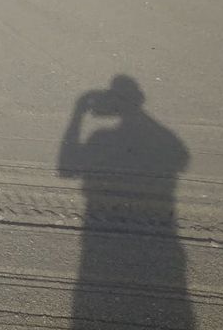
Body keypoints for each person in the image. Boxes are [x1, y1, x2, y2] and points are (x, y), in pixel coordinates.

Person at [58, 75, 195, 328]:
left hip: (101, 237)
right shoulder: (167, 141)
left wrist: (78, 113)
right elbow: (181, 158)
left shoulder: (101, 138)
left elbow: (66, 169)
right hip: (161, 236)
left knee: (96, 303)